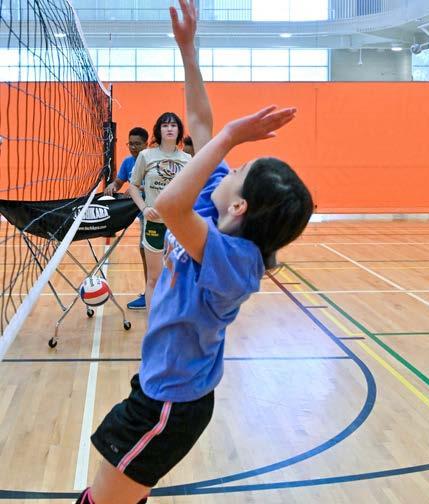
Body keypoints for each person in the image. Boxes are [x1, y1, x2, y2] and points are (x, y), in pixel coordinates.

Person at [75, 2, 313, 503]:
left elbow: (166, 205)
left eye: (238, 169)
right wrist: (187, 49)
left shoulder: (234, 260)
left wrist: (228, 138)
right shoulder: (214, 208)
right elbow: (202, 127)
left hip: (170, 406)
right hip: (160, 389)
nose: (228, 165)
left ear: (240, 205)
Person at [127, 110, 191, 312]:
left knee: (177, 276)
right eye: (165, 125)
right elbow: (133, 186)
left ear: (179, 130)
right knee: (154, 278)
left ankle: (174, 318)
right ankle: (152, 323)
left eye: (173, 125)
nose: (169, 128)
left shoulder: (187, 159)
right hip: (154, 224)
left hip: (179, 226)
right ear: (159, 130)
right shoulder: (146, 156)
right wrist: (144, 208)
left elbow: (192, 191)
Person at [104, 127, 149, 310]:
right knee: (145, 251)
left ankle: (153, 295)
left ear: (146, 144)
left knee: (151, 252)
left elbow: (160, 185)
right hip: (140, 214)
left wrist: (137, 189)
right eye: (130, 144)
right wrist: (113, 186)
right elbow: (119, 181)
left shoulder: (152, 161)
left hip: (155, 212)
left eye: (137, 144)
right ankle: (152, 292)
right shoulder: (128, 162)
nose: (133, 147)